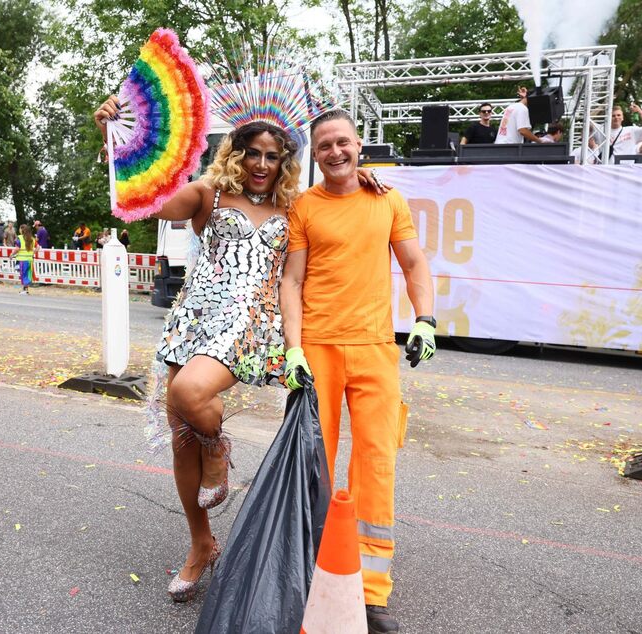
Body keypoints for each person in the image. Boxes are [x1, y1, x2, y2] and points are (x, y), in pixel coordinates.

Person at [96, 92, 319, 603]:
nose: (262, 164)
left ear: (285, 162)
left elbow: (332, 217)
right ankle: (201, 546)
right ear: (234, 153)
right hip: (194, 316)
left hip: (249, 321)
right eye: (253, 153)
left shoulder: (295, 206)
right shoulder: (208, 195)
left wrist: (367, 179)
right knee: (182, 436)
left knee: (191, 396)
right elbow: (145, 201)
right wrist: (120, 141)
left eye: (273, 156)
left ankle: (220, 447)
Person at [280, 109, 436, 634]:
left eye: (342, 142)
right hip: (318, 349)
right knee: (311, 465)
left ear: (359, 143)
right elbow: (292, 282)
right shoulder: (304, 206)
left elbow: (414, 265)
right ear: (315, 155)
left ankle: (370, 592)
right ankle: (305, 572)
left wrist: (426, 321)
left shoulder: (387, 198)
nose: (336, 152)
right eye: (324, 146)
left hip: (374, 349)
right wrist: (294, 348)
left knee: (375, 465)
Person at [13, 223, 35, 294]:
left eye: (19, 228)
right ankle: (26, 289)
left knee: (23, 275)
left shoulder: (19, 238)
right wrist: (33, 252)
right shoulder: (32, 238)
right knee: (28, 275)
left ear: (21, 230)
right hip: (30, 260)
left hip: (22, 260)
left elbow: (17, 249)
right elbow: (38, 247)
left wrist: (11, 254)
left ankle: (25, 290)